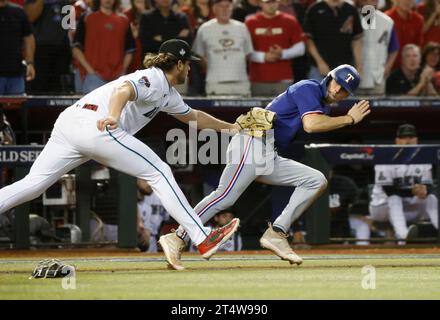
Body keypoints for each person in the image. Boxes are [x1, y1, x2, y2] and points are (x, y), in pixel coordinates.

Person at [0, 39, 241, 264]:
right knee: (160, 172)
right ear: (178, 64)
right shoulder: (154, 77)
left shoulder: (167, 93)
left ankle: (200, 236)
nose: (190, 69)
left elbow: (194, 117)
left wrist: (231, 127)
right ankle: (201, 237)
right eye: (188, 64)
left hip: (70, 123)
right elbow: (123, 90)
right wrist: (113, 116)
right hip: (95, 123)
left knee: (33, 184)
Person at [160, 64, 371, 270]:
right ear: (329, 78)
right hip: (252, 142)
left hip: (268, 152)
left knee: (315, 180)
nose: (337, 90)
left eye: (344, 90)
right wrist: (350, 119)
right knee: (225, 196)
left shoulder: (321, 104)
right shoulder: (310, 87)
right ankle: (178, 236)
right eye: (337, 83)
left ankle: (277, 233)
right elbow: (311, 125)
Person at [369, 124, 439, 242]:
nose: (407, 141)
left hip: (409, 208)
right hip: (381, 207)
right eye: (404, 137)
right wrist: (412, 191)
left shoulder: (424, 158)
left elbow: (428, 185)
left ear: (416, 140)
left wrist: (425, 190)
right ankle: (404, 236)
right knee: (394, 198)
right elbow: (389, 191)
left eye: (411, 137)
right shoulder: (385, 157)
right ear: (397, 140)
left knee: (431, 198)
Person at [72, 0, 136, 93]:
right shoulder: (87, 18)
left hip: (117, 78)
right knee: (91, 107)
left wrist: (122, 70)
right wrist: (90, 71)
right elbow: (76, 48)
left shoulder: (124, 20)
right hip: (93, 77)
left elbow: (130, 50)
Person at [192, 0, 254, 96]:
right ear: (214, 9)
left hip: (240, 83)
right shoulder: (204, 28)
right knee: (213, 112)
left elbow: (248, 54)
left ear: (232, 8)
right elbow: (198, 55)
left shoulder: (242, 27)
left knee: (244, 111)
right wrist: (212, 68)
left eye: (228, 6)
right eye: (221, 6)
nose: (225, 10)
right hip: (215, 83)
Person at [246, 0, 306, 96]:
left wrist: (282, 54)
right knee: (258, 111)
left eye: (274, 2)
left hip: (283, 78)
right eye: (267, 2)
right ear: (260, 3)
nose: (271, 5)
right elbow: (245, 50)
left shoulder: (290, 21)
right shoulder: (250, 22)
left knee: (284, 110)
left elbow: (300, 48)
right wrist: (263, 57)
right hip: (258, 79)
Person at [303, 0, 363, 80]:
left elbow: (356, 39)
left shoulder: (350, 9)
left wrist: (359, 65)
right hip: (319, 68)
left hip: (345, 68)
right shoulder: (314, 8)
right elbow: (308, 40)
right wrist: (320, 62)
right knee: (319, 92)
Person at [355, 0, 399, 96]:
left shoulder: (387, 22)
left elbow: (394, 48)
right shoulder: (352, 17)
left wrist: (387, 68)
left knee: (378, 110)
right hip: (354, 79)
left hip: (377, 78)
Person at [0, 0, 35, 95]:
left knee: (17, 107)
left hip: (15, 73)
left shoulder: (18, 11)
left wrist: (30, 63)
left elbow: (29, 38)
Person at [385, 0, 424, 71]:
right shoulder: (386, 18)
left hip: (409, 69)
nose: (407, 2)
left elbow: (418, 45)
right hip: (389, 67)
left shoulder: (418, 20)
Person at [137, 179, 170, 252]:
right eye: (146, 180)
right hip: (138, 238)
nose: (149, 184)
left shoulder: (162, 196)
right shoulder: (134, 202)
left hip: (153, 238)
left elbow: (162, 221)